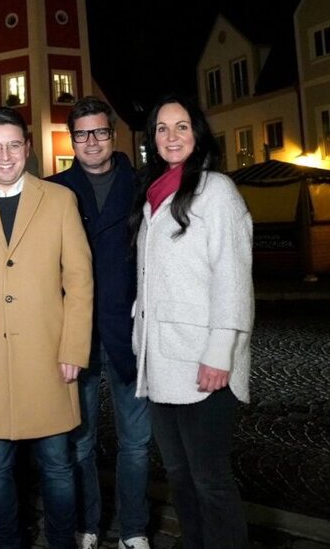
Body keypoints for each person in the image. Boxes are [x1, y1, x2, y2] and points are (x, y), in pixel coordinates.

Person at [0, 106, 94, 549]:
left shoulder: (60, 200)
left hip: (48, 356)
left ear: (27, 147)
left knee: (58, 465)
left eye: (12, 145)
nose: (4, 156)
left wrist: (73, 349)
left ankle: (62, 543)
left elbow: (79, 282)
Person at [130, 94, 254, 549]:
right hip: (161, 360)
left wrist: (220, 353)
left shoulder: (217, 191)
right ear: (152, 140)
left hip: (204, 361)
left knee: (210, 479)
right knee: (179, 475)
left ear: (198, 134)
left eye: (181, 127)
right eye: (162, 129)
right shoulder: (156, 194)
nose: (172, 136)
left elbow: (234, 281)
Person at [47, 97, 151, 549]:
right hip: (77, 334)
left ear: (114, 134)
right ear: (72, 140)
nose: (91, 141)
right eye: (82, 134)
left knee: (136, 443)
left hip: (130, 332)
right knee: (80, 442)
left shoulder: (144, 185)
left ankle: (134, 529)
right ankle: (87, 524)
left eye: (100, 132)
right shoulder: (54, 190)